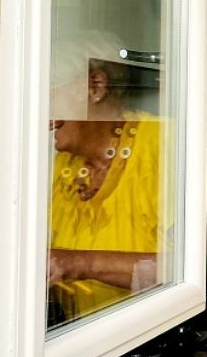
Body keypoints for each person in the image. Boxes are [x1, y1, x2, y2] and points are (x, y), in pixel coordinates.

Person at [48, 34, 162, 328]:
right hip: (81, 340)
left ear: (95, 86)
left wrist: (75, 264)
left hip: (149, 337)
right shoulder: (64, 165)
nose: (40, 112)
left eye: (48, 95)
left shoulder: (160, 146)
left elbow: (191, 268)